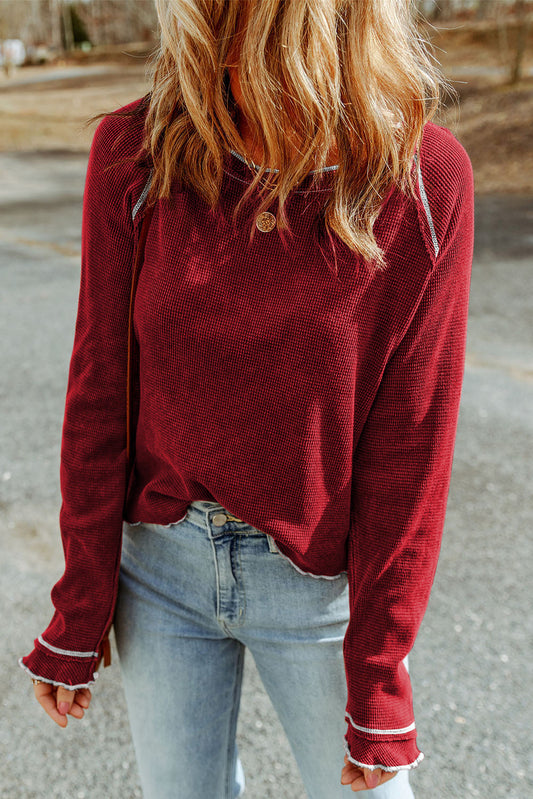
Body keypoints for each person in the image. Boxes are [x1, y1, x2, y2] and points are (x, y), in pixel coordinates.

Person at [19, 1, 474, 796]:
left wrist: (377, 678)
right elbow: (100, 393)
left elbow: (411, 448)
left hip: (320, 589)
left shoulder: (423, 179)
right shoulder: (134, 154)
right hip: (160, 571)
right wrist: (81, 602)